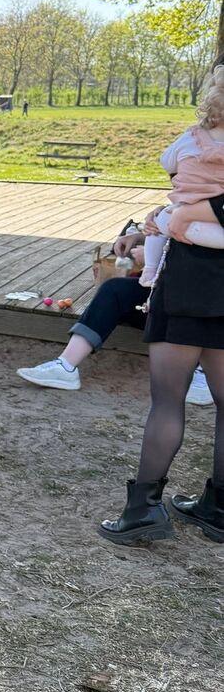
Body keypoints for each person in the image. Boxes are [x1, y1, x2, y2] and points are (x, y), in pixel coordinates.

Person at [100, 65, 224, 546]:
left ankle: (144, 509)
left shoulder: (194, 141)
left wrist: (182, 210)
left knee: (167, 400)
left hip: (191, 276)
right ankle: (218, 506)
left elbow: (174, 172)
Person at [15, 224, 212, 404]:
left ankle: (205, 373)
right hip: (168, 293)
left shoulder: (212, 205)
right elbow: (176, 235)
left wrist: (158, 257)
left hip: (206, 303)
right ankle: (65, 366)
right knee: (115, 290)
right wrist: (140, 237)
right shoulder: (186, 199)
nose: (176, 186)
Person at [139, 69, 224, 286]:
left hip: (183, 222)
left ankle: (149, 271)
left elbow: (167, 162)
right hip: (203, 229)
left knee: (160, 224)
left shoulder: (190, 138)